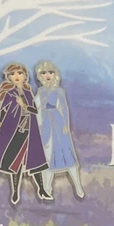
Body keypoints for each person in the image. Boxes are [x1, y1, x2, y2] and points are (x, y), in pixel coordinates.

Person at [0, 62, 52, 206]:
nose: (16, 76)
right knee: (15, 163)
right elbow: (3, 110)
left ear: (25, 76)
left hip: (30, 132)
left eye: (20, 73)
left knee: (35, 162)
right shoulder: (9, 93)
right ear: (8, 77)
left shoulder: (28, 92)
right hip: (15, 131)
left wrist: (23, 105)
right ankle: (15, 192)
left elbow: (34, 110)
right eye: (12, 74)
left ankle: (42, 190)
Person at [35, 60, 84, 200]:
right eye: (44, 73)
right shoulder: (40, 91)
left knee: (67, 155)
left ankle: (78, 185)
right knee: (46, 157)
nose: (47, 75)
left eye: (50, 72)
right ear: (40, 76)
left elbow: (64, 108)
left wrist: (66, 125)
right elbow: (37, 108)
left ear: (55, 74)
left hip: (57, 123)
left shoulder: (59, 91)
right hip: (44, 125)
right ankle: (47, 188)